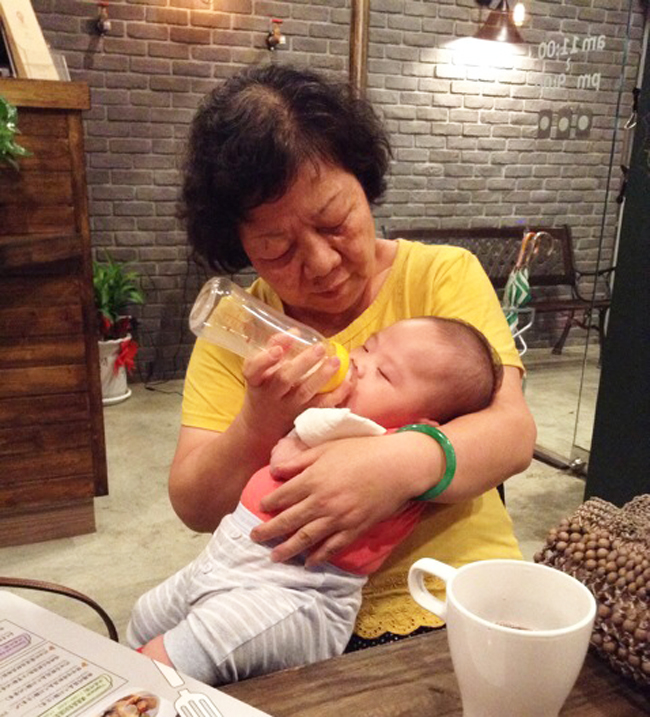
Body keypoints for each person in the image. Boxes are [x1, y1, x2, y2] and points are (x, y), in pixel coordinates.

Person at [169, 63, 536, 654]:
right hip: (280, 607)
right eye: (276, 248)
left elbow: (513, 434)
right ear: (240, 247)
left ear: (364, 185)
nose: (320, 263)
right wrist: (259, 421)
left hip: (452, 595)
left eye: (334, 222)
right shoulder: (240, 329)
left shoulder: (439, 276)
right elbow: (195, 505)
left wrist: (397, 465)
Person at [128, 317, 504, 684]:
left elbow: (287, 453)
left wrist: (406, 448)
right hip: (224, 563)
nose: (358, 362)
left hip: (298, 597)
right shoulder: (344, 419)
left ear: (419, 424)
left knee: (205, 640)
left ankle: (135, 698)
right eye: (367, 347)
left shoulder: (383, 441)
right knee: (146, 613)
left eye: (384, 374)